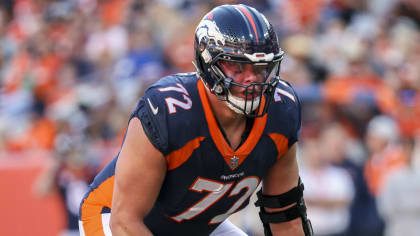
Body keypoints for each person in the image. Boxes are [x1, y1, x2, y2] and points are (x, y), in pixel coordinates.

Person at [78, 4, 313, 236]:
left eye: (261, 67)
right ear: (208, 62)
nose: (252, 79)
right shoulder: (170, 111)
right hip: (115, 217)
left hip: (197, 224)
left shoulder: (282, 110)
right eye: (238, 66)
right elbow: (125, 221)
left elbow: (286, 217)